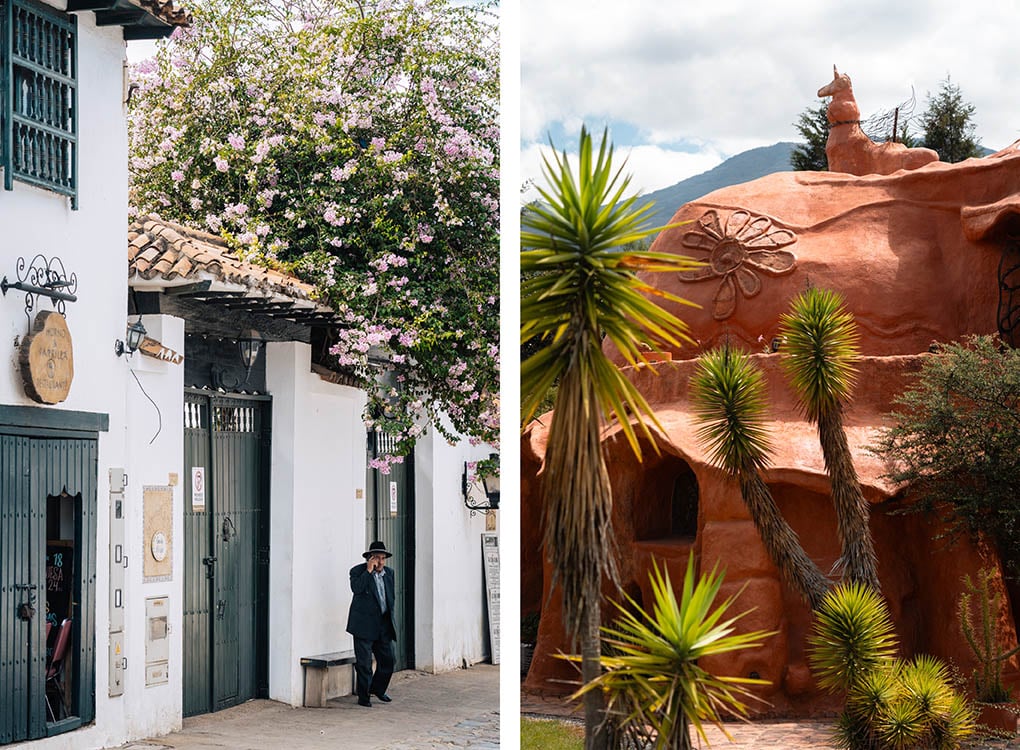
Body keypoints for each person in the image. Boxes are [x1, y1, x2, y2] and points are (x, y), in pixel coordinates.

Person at [347, 540, 396, 707]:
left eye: (383, 558)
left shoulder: (389, 573)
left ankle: (378, 689)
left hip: (383, 624)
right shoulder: (357, 571)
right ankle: (364, 696)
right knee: (364, 664)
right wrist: (368, 572)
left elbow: (390, 598)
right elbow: (357, 589)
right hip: (363, 625)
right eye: (377, 558)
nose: (380, 562)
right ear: (370, 558)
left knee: (389, 660)